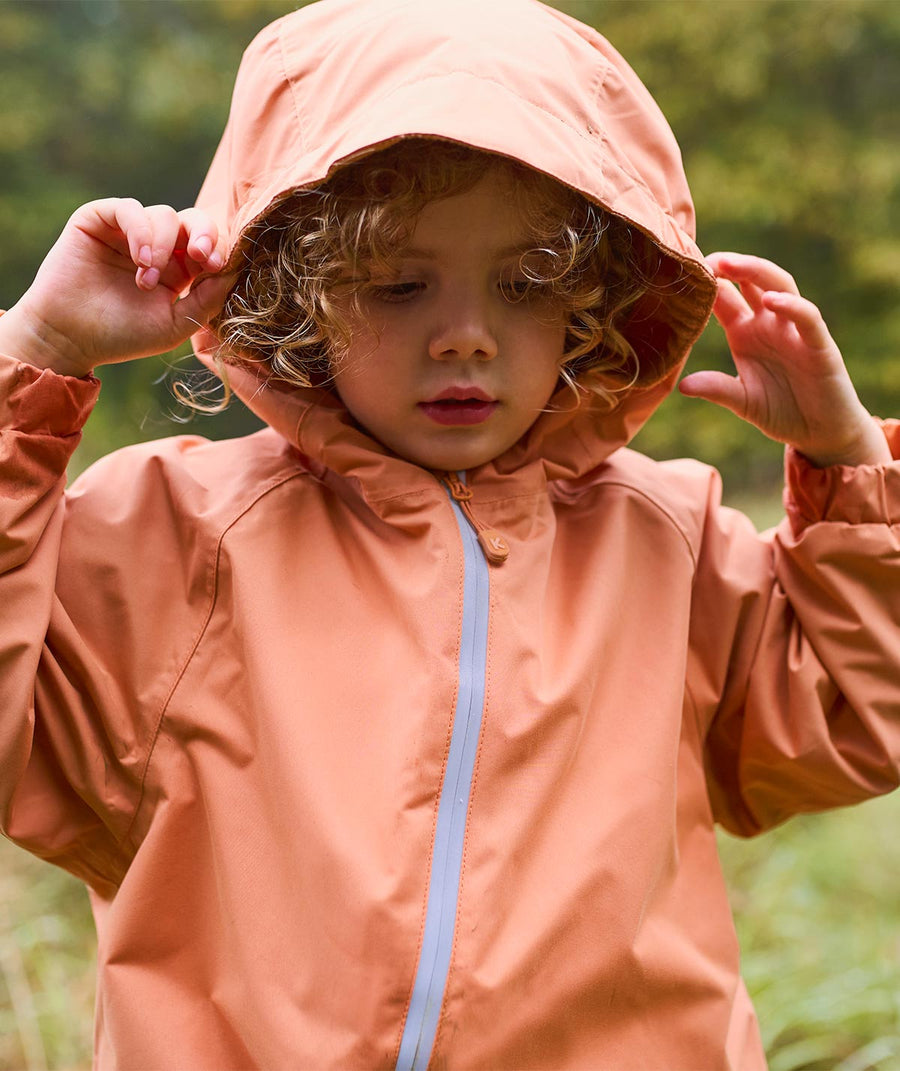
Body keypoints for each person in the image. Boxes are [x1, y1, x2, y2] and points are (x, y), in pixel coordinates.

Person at [0, 0, 897, 1067]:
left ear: (597, 298)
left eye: (526, 285)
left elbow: (859, 720)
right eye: (399, 284)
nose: (466, 335)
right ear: (294, 291)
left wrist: (850, 472)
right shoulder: (175, 539)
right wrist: (36, 356)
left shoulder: (670, 539)